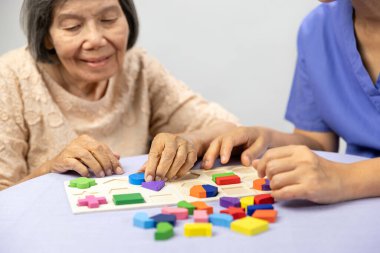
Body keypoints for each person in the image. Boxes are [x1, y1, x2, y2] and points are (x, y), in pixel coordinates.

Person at [0, 0, 238, 190]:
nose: (95, 40)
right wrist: (49, 169)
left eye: (109, 20)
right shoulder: (10, 78)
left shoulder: (139, 66)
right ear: (47, 37)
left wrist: (191, 140)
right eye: (73, 26)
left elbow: (230, 129)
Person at [202, 0, 380, 204]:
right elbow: (320, 145)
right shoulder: (318, 29)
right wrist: (267, 139)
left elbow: (338, 172)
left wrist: (346, 178)